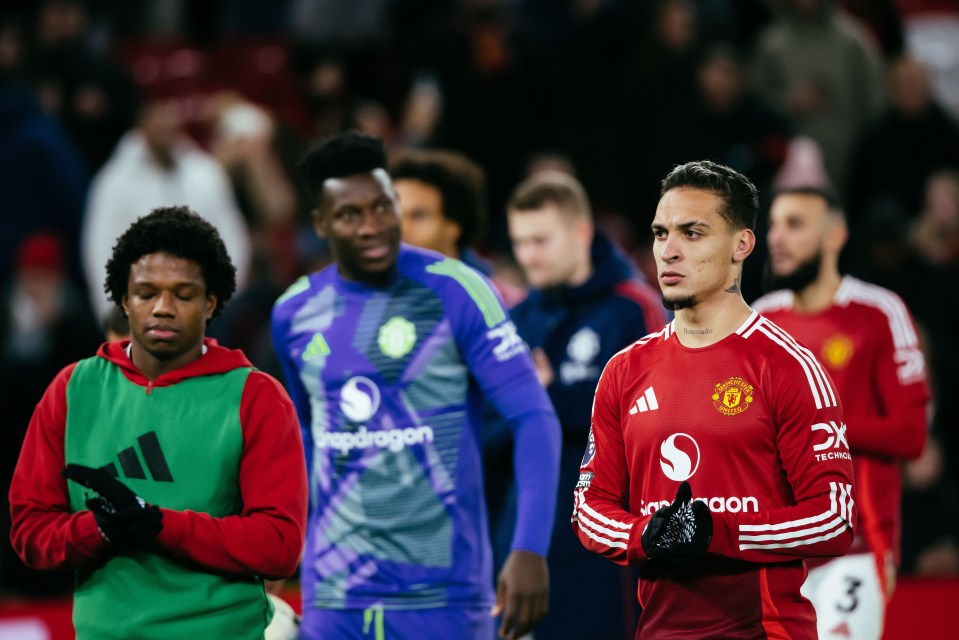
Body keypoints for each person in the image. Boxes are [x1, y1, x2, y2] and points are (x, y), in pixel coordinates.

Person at [270, 131, 561, 640]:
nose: (373, 227)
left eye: (384, 207)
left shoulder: (459, 290)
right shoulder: (293, 313)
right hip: (336, 596)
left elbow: (534, 418)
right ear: (320, 224)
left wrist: (529, 548)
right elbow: (310, 439)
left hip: (443, 594)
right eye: (350, 215)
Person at [571, 160, 856, 638]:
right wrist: (646, 534)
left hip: (765, 631)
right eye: (661, 234)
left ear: (741, 245)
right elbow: (589, 508)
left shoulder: (788, 367)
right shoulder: (625, 371)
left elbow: (833, 517)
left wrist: (717, 533)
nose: (669, 251)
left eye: (693, 233)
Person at [9, 206, 308, 639]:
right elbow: (30, 532)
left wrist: (159, 524)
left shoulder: (257, 397)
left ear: (210, 303)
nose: (163, 308)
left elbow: (280, 545)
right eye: (146, 293)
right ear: (124, 299)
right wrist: (101, 528)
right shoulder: (73, 389)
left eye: (183, 295)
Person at [753, 186, 930, 639]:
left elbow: (911, 434)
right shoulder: (759, 322)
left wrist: (818, 426)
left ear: (835, 236)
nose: (777, 238)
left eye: (794, 225)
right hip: (775, 549)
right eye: (773, 224)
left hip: (856, 545)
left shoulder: (877, 311)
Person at [498, 170, 665, 639]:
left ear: (581, 233)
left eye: (541, 240)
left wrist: (548, 396)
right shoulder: (518, 317)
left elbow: (651, 427)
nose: (528, 255)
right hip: (524, 538)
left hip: (602, 552)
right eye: (520, 242)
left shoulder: (633, 310)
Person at [81, 96, 252, 323]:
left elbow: (232, 239)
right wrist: (117, 313)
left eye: (169, 121)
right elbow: (99, 249)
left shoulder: (205, 173)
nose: (164, 128)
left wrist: (221, 302)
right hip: (140, 314)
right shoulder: (113, 183)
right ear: (142, 126)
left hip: (205, 311)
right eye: (157, 120)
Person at [389, 145, 525, 307]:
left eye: (418, 215)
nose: (401, 228)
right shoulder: (363, 300)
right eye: (395, 214)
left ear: (455, 225)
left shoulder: (503, 305)